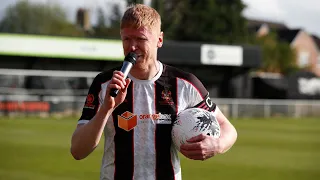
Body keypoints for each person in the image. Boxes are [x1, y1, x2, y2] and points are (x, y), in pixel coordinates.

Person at [70, 4, 237, 180]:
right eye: (126, 39)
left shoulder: (184, 83)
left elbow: (228, 129)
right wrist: (106, 108)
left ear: (159, 40)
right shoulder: (105, 84)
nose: (132, 47)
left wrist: (216, 145)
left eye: (140, 39)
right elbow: (78, 151)